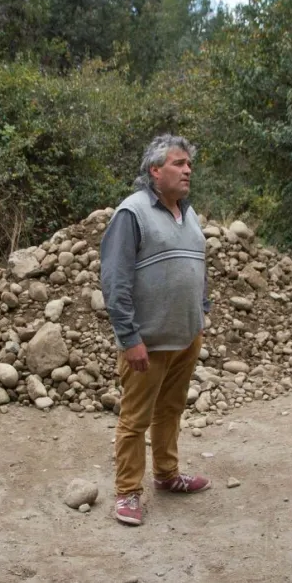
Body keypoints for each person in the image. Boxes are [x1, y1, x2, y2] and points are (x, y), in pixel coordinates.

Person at [100, 134, 212, 527]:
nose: (187, 170)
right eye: (179, 163)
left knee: (171, 409)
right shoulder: (132, 213)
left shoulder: (188, 213)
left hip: (186, 337)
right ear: (155, 171)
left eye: (189, 164)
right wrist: (130, 338)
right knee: (135, 419)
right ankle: (127, 491)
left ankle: (167, 474)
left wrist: (201, 311)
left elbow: (198, 266)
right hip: (148, 342)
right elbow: (115, 281)